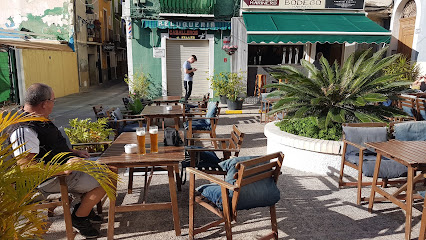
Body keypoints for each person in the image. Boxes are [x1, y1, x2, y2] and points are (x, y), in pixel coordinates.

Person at [7, 83, 105, 238]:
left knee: (107, 167)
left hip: (65, 169)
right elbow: (26, 168)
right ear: (44, 103)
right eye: (53, 100)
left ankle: (82, 208)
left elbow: (50, 146)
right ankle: (79, 218)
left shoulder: (39, 119)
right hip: (50, 179)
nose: (54, 104)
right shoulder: (23, 130)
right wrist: (64, 169)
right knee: (108, 179)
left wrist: (74, 152)